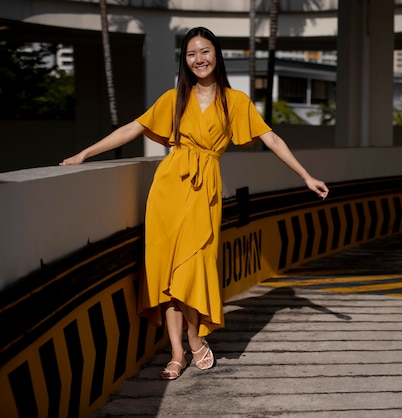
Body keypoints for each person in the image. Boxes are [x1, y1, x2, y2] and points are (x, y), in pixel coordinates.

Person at [61, 27, 329, 380]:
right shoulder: (174, 98)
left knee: (194, 266)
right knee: (167, 273)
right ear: (185, 62)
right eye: (191, 54)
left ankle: (193, 334)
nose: (198, 59)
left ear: (216, 55)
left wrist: (306, 175)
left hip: (205, 193)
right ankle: (176, 352)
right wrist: (85, 153)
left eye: (204, 51)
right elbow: (133, 128)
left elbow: (272, 138)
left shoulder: (236, 102)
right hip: (168, 189)